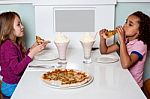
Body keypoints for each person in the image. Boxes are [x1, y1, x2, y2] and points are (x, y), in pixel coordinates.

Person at [0, 11, 49, 97]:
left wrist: (32, 49)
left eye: (21, 23)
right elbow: (16, 70)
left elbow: (20, 59)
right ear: (8, 28)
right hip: (11, 87)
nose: (22, 26)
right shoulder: (8, 46)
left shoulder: (13, 43)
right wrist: (32, 53)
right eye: (18, 24)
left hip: (15, 83)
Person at [99, 11, 150, 88]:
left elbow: (126, 64)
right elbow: (104, 51)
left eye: (130, 24)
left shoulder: (141, 45)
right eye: (126, 22)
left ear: (139, 32)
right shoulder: (126, 40)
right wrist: (103, 39)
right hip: (123, 80)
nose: (124, 26)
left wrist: (122, 41)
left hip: (134, 86)